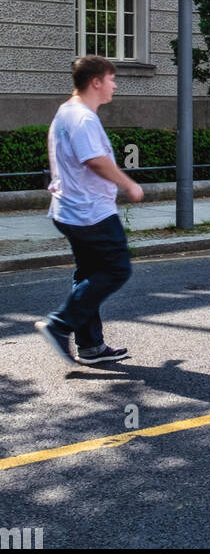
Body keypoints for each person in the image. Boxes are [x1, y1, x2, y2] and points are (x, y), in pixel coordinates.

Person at [35, 55, 143, 367]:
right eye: (111, 78)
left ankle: (91, 345)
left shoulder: (66, 112)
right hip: (90, 212)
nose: (115, 84)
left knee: (89, 274)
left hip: (69, 209)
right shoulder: (82, 118)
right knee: (116, 269)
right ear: (96, 82)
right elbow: (93, 159)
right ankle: (59, 324)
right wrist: (129, 184)